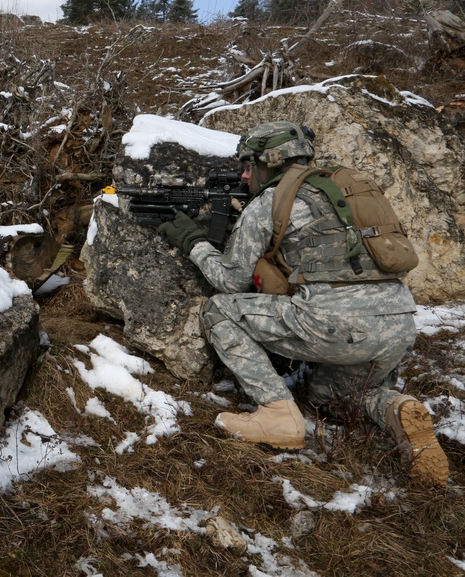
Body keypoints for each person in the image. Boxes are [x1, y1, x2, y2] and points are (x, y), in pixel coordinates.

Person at [157, 120, 449, 487]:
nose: (246, 174)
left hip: (334, 325)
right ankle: (397, 407)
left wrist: (193, 242)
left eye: (250, 164)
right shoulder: (350, 189)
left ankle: (278, 414)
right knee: (332, 397)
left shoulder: (272, 199)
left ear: (271, 161)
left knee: (219, 309)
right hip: (399, 325)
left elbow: (230, 280)